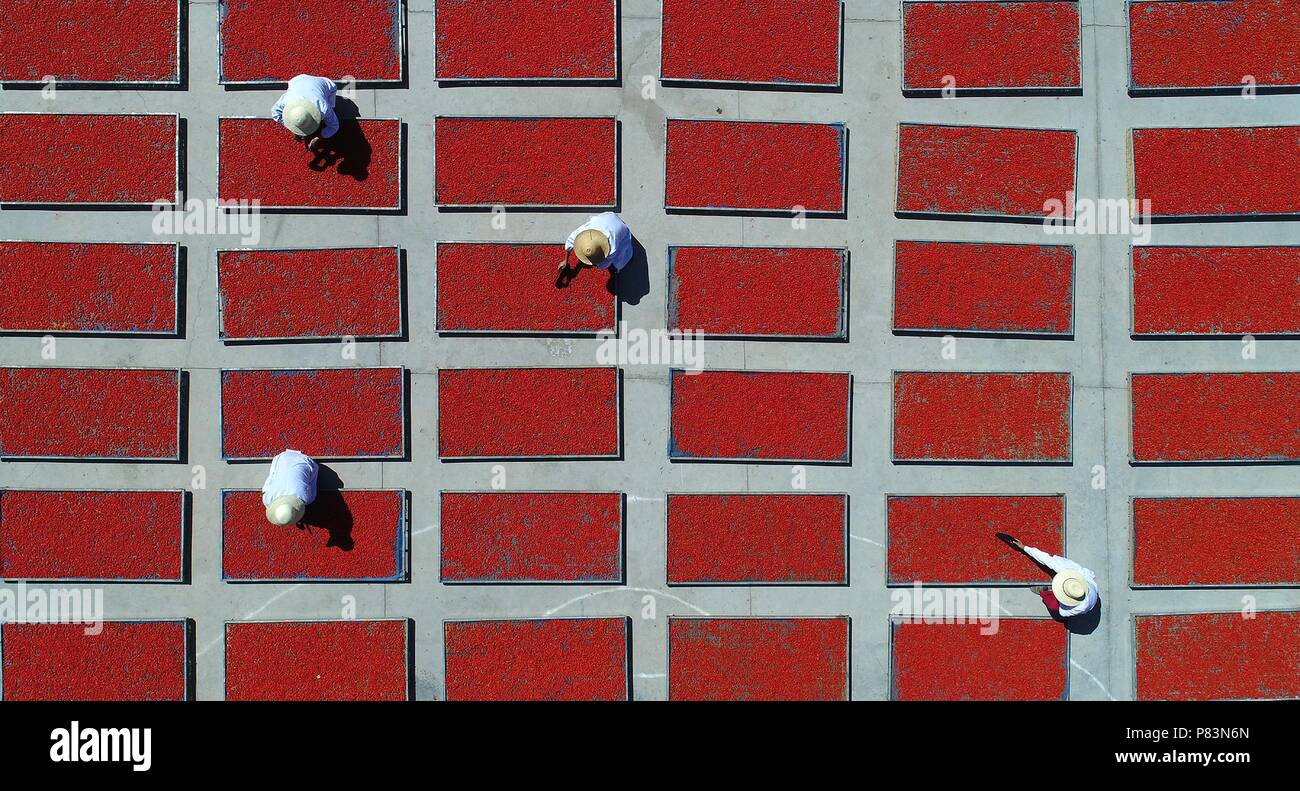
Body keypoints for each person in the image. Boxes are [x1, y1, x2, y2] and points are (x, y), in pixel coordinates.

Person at [998, 534, 1099, 618]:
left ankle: (1044, 592)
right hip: (1091, 600)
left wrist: (1024, 547)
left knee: (1053, 605)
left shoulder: (1079, 606)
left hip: (1086, 604)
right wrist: (1025, 548)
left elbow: (1062, 612)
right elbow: (1046, 559)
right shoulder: (1084, 578)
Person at [557, 212, 633, 286]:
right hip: (608, 217)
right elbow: (570, 241)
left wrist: (597, 264)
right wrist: (566, 261)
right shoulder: (583, 231)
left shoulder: (612, 248)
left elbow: (604, 264)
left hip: (622, 228)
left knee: (619, 262)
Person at [271, 74, 340, 153]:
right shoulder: (286, 100)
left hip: (326, 84)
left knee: (333, 108)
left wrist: (319, 137)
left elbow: (334, 126)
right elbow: (275, 113)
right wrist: (292, 128)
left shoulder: (323, 108)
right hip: (297, 80)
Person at [262, 449, 319, 526]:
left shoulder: (307, 499)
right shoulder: (267, 500)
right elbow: (269, 481)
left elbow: (312, 486)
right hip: (281, 457)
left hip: (306, 460)